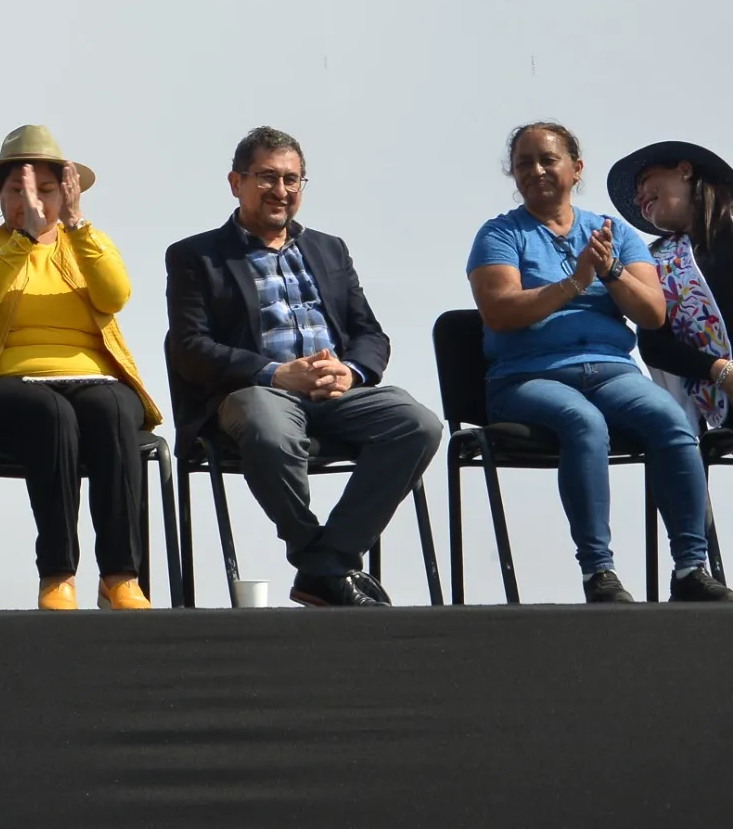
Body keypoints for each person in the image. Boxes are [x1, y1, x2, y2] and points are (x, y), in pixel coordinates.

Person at [164, 126, 443, 607]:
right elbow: (190, 347)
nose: (281, 191)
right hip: (256, 391)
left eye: (293, 180)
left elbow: (370, 333)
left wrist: (351, 371)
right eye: (267, 177)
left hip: (338, 392)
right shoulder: (197, 256)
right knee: (270, 431)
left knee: (417, 424)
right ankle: (316, 555)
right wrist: (275, 373)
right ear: (236, 182)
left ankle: (328, 563)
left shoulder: (328, 248)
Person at [467, 122, 731, 603]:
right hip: (528, 377)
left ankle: (691, 567)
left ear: (575, 168)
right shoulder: (500, 235)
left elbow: (651, 312)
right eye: (524, 163)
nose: (537, 170)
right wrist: (573, 282)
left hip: (610, 371)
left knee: (670, 421)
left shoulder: (615, 234)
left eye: (548, 159)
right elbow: (500, 312)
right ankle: (599, 571)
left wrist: (609, 271)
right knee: (583, 423)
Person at [0, 126, 162, 611]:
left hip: (90, 377)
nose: (30, 201)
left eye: (45, 190)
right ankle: (57, 575)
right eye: (17, 190)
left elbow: (116, 295)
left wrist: (76, 227)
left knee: (117, 406)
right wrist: (22, 242)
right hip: (0, 384)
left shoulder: (87, 242)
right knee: (49, 412)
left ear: (67, 193)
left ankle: (120, 576)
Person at [608, 140, 733, 433]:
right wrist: (718, 370)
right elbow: (654, 345)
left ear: (684, 170)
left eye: (644, 181)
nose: (639, 198)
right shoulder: (656, 264)